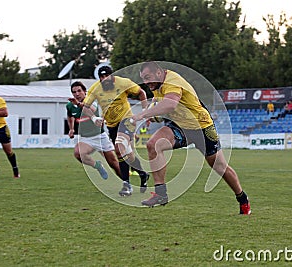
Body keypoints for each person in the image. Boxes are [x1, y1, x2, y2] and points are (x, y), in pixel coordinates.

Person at [131, 61, 251, 214]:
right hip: (181, 126)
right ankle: (161, 193)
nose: (146, 82)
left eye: (148, 77)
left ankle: (242, 199)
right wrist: (151, 112)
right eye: (143, 79)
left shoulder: (172, 82)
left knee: (219, 167)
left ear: (159, 73)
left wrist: (143, 114)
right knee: (153, 144)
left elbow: (170, 105)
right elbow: (158, 101)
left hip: (202, 128)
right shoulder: (157, 84)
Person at [83, 66, 150, 196]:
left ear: (111, 76)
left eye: (106, 76)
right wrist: (93, 117)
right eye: (101, 77)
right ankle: (143, 174)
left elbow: (141, 92)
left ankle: (126, 185)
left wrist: (145, 111)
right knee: (127, 154)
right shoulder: (95, 88)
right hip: (111, 125)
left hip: (127, 121)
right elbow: (85, 107)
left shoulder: (123, 83)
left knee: (119, 148)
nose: (104, 79)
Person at [66, 81, 121, 179]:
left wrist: (79, 104)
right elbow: (70, 116)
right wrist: (71, 129)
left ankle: (126, 183)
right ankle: (98, 166)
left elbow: (91, 109)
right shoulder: (70, 105)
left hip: (99, 137)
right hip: (86, 139)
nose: (77, 94)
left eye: (79, 91)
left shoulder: (91, 101)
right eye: (74, 92)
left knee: (114, 164)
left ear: (85, 92)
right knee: (78, 154)